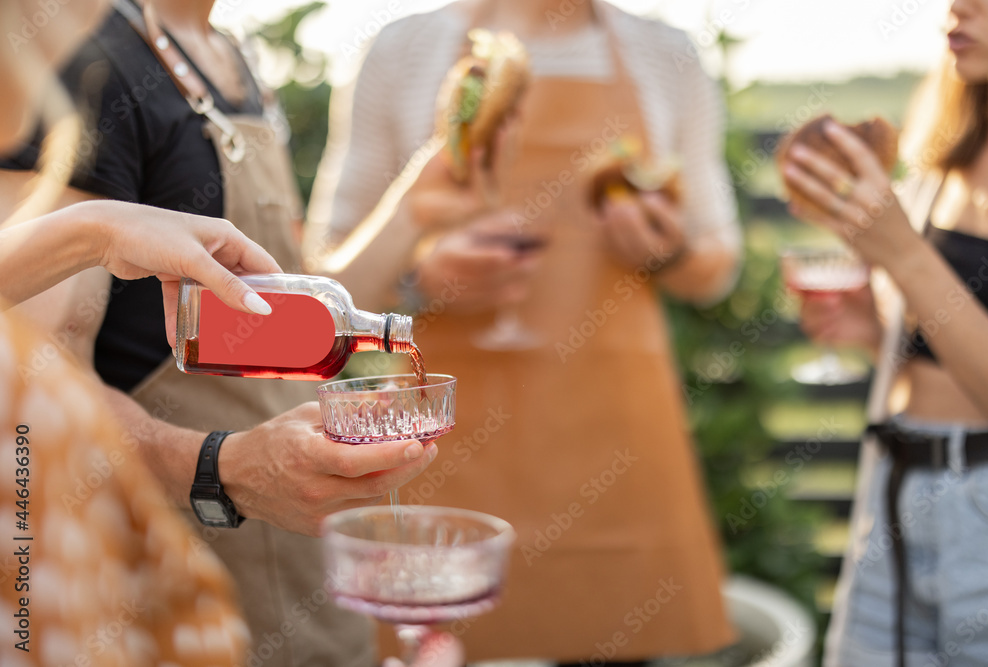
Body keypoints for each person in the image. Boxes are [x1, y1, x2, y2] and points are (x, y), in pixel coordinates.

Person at [0, 1, 440, 664]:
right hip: (160, 580)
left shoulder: (236, 64)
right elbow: (38, 391)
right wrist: (224, 468)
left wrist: (420, 205)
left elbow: (300, 302)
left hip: (299, 574)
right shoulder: (81, 59)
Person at [307, 0, 742, 662]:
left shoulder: (667, 55)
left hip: (615, 458)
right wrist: (423, 278)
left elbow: (717, 268)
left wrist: (669, 251)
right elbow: (328, 270)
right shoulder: (403, 51)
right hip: (448, 452)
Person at [782, 1, 988, 664]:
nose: (957, 5)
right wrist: (876, 334)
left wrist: (902, 253)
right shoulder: (953, 150)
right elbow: (945, 339)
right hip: (896, 496)